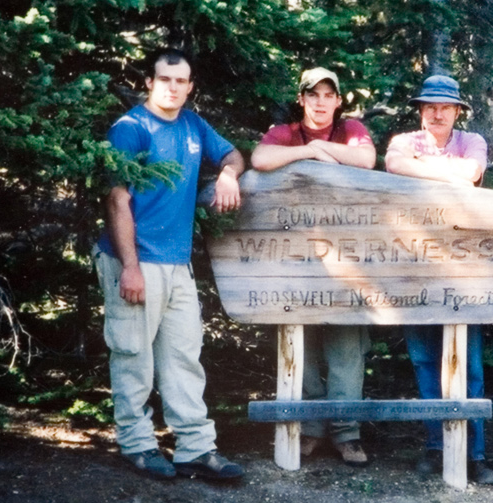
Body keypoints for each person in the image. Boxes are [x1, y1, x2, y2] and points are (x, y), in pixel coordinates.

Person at [94, 49, 247, 481]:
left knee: (183, 355)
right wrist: (130, 266)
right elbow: (117, 198)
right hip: (135, 258)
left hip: (177, 263)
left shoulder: (194, 124)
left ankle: (195, 448)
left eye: (182, 81)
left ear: (191, 86)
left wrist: (228, 175)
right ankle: (138, 444)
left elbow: (234, 154)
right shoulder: (130, 129)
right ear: (149, 82)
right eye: (165, 79)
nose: (173, 88)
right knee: (133, 355)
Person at [251, 67, 377, 467]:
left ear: (338, 101)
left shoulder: (351, 128)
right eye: (313, 95)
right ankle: (308, 429)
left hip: (348, 259)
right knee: (298, 345)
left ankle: (346, 433)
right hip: (297, 260)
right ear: (301, 99)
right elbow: (260, 157)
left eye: (328, 96)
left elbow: (367, 159)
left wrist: (328, 151)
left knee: (347, 347)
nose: (321, 103)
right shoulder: (286, 131)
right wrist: (308, 151)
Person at [383, 74, 493, 485]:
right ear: (420, 110)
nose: (436, 113)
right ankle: (436, 447)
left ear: (457, 111)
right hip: (415, 270)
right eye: (429, 106)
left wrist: (424, 171)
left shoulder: (472, 142)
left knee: (468, 366)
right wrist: (447, 172)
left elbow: (472, 171)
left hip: (464, 271)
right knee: (426, 361)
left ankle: (476, 454)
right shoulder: (402, 141)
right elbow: (394, 164)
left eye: (444, 107)